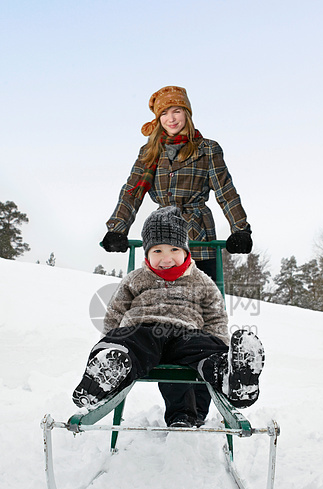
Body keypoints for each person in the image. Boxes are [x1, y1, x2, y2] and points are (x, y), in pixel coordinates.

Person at [99, 85, 254, 426]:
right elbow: (133, 191)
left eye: (177, 111)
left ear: (187, 113)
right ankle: (180, 412)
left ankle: (199, 408)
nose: (171, 118)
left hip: (199, 239)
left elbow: (225, 189)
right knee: (162, 323)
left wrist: (240, 228)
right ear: (158, 118)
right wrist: (117, 228)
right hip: (162, 239)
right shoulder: (149, 152)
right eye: (165, 113)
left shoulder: (207, 149)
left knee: (201, 325)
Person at [73, 207, 264, 428]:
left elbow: (215, 316)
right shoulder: (136, 278)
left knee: (204, 348)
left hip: (187, 334)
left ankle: (229, 373)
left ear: (185, 250)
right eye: (157, 251)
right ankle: (106, 369)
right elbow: (116, 311)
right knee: (127, 342)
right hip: (143, 330)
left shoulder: (201, 281)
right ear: (147, 254)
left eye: (174, 249)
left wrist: (219, 343)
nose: (166, 259)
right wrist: (109, 338)